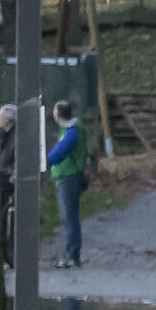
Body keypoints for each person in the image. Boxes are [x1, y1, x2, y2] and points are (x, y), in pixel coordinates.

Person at [46, 100, 88, 269]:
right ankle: (71, 253)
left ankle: (73, 255)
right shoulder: (70, 130)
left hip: (69, 178)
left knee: (69, 217)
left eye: (54, 111)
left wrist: (45, 162)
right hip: (67, 177)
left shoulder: (71, 133)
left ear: (58, 114)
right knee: (68, 217)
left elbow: (60, 151)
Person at [0, 103, 17, 268]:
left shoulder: (14, 138)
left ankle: (9, 255)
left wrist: (7, 174)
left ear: (7, 119)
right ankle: (5, 256)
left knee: (8, 221)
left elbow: (15, 162)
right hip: (4, 183)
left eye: (0, 117)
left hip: (8, 184)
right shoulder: (7, 136)